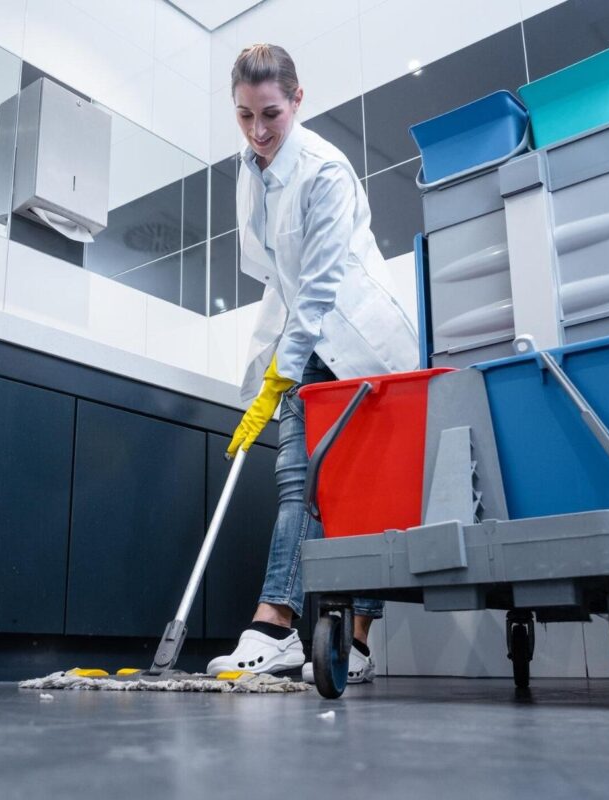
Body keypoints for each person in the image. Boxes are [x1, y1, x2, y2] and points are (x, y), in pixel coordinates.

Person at [207, 44, 418, 684]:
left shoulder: (324, 171)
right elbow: (279, 279)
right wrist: (264, 378)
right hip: (304, 339)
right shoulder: (251, 170)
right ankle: (277, 628)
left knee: (364, 494)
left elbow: (321, 288)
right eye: (244, 116)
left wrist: (283, 370)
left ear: (297, 99)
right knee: (297, 481)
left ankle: (354, 641)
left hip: (359, 347)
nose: (259, 131)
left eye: (270, 113)